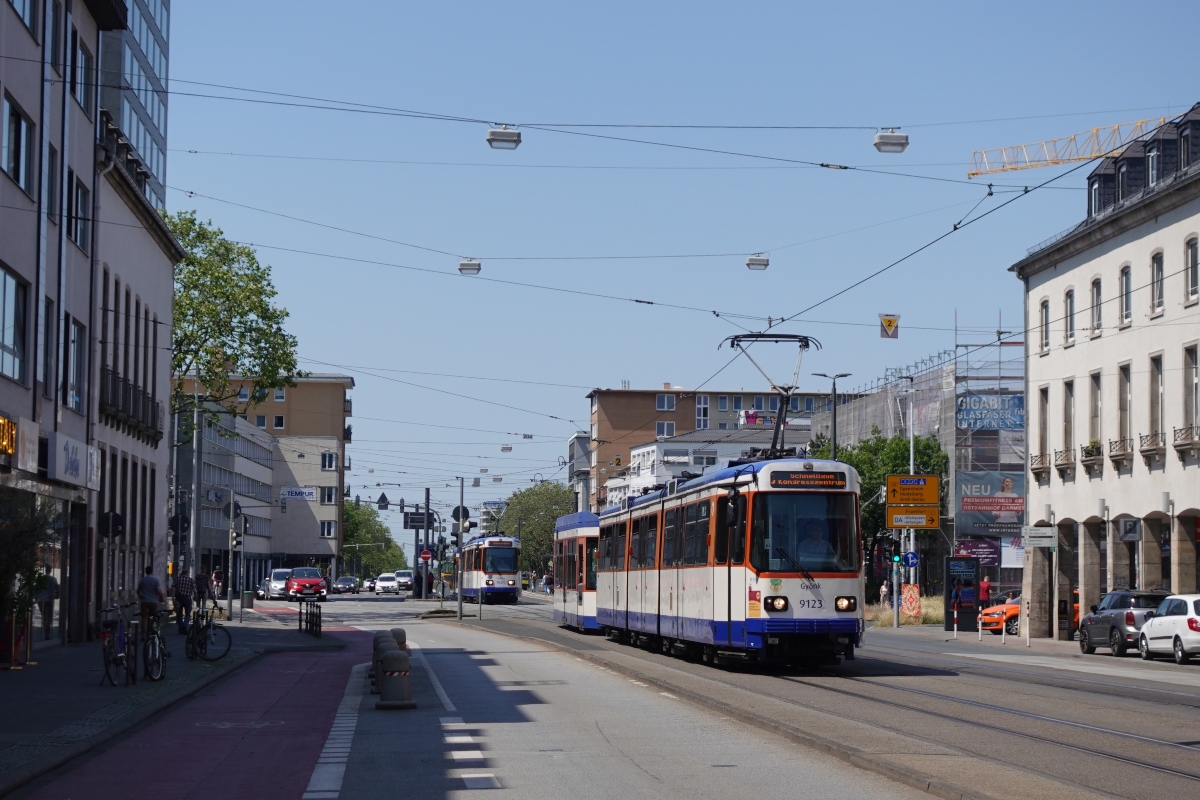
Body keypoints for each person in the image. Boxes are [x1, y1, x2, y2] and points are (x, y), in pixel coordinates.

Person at [137, 565, 166, 633]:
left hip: (145, 601)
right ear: (152, 571)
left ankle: (144, 633)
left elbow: (138, 591)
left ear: (146, 572)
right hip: (153, 601)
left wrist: (141, 597)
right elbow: (158, 590)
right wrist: (161, 598)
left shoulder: (142, 580)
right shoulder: (155, 580)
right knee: (153, 616)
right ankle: (152, 631)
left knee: (144, 618)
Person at [173, 568, 196, 634]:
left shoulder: (177, 579)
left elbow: (173, 588)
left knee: (179, 614)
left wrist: (173, 598)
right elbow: (194, 590)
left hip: (178, 598)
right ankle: (185, 625)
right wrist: (195, 597)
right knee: (187, 614)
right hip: (187, 598)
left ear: (182, 573)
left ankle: (180, 628)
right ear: (187, 573)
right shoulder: (190, 580)